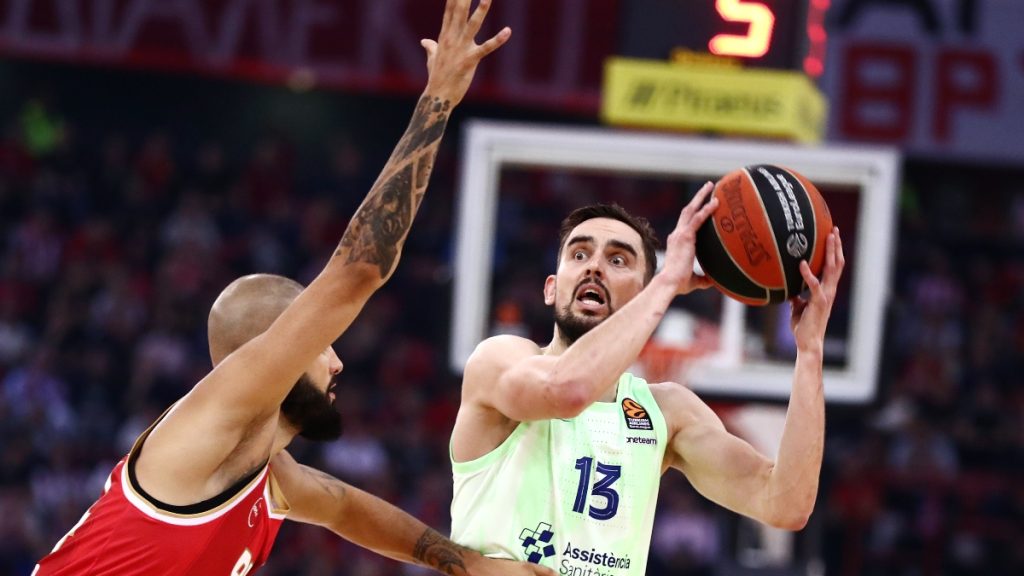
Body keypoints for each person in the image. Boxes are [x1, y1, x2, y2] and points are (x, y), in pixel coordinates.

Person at [34, 1, 553, 574]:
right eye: (323, 345)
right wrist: (439, 100)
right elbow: (357, 272)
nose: (337, 362)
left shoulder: (265, 473)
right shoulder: (214, 423)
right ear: (280, 342)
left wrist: (467, 565)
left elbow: (344, 507)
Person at [449, 185, 845, 574]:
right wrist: (668, 281)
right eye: (579, 254)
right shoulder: (498, 360)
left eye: (618, 260)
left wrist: (810, 352)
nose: (594, 266)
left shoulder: (666, 411)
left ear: (642, 296)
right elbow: (566, 390)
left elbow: (785, 504)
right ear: (551, 288)